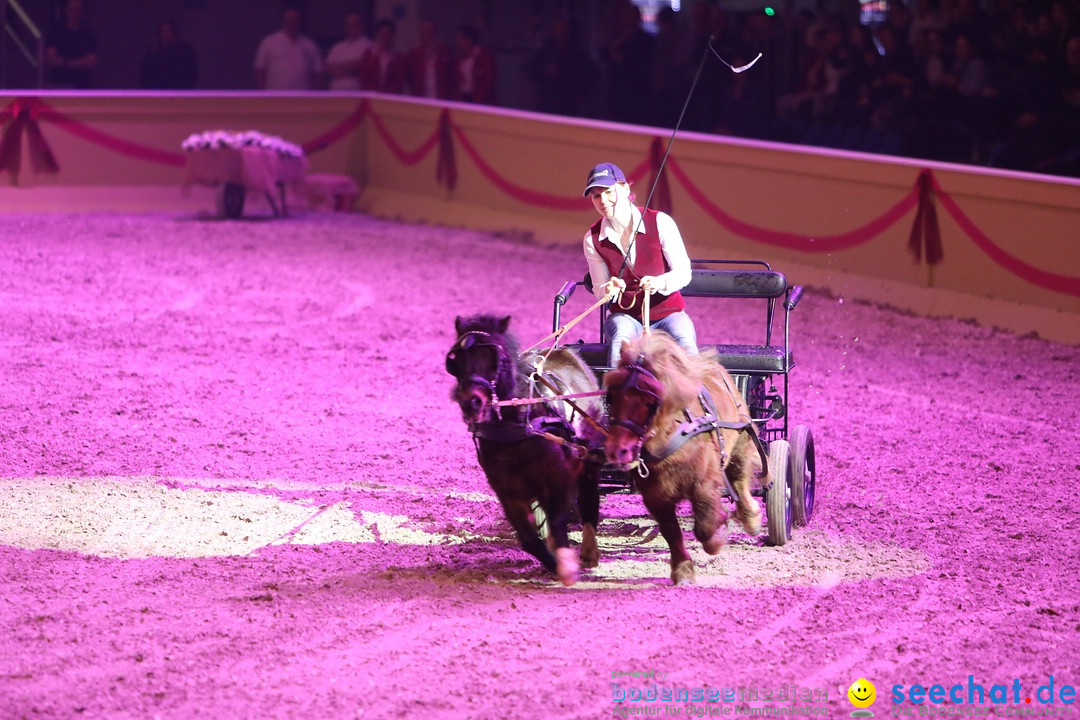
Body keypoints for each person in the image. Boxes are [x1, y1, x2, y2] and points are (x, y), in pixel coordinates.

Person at [580, 162, 698, 367]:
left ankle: (699, 396)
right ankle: (614, 397)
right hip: (626, 316)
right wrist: (608, 288)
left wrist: (660, 283)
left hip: (669, 314)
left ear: (625, 188)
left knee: (686, 344)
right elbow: (600, 289)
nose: (603, 201)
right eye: (596, 196)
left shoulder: (660, 222)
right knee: (620, 343)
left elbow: (683, 273)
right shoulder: (592, 239)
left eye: (608, 192)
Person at [253, 6, 322, 90]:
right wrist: (264, 94)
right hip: (275, 95)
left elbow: (317, 71)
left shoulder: (309, 44)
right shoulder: (269, 42)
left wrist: (313, 94)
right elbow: (260, 69)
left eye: (295, 19)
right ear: (283, 21)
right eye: (289, 19)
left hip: (302, 96)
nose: (292, 22)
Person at [44, 0, 97, 89]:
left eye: (78, 10)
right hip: (59, 84)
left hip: (82, 85)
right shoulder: (56, 33)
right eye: (73, 9)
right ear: (66, 11)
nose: (75, 13)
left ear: (82, 12)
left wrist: (65, 63)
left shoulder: (88, 35)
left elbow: (90, 62)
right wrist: (79, 62)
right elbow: (50, 60)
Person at [138, 19, 198, 89]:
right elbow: (146, 73)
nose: (165, 34)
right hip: (156, 92)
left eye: (168, 31)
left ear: (174, 33)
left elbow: (190, 73)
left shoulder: (183, 51)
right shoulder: (153, 52)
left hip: (178, 91)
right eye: (163, 31)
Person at [406, 19, 454, 99]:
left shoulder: (445, 53)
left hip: (442, 99)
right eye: (424, 30)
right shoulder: (413, 55)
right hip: (420, 99)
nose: (427, 33)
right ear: (420, 33)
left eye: (430, 30)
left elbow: (452, 77)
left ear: (435, 33)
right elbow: (408, 78)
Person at [325, 11, 372, 91]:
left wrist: (339, 67)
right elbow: (328, 68)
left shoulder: (369, 46)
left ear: (361, 25)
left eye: (354, 24)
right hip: (336, 93)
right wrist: (350, 67)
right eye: (349, 25)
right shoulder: (338, 47)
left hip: (356, 93)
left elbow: (360, 66)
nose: (351, 27)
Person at [357, 18, 406, 93]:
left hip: (390, 99)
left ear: (393, 36)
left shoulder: (398, 58)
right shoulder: (368, 55)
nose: (385, 37)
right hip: (371, 97)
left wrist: (388, 96)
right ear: (377, 34)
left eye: (388, 34)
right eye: (382, 33)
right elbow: (363, 78)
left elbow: (399, 82)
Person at [453, 25, 496, 104]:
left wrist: (478, 101)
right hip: (463, 98)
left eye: (460, 39)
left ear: (468, 40)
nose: (457, 42)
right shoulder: (459, 58)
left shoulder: (483, 55)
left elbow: (488, 80)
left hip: (480, 99)